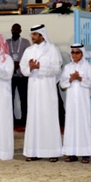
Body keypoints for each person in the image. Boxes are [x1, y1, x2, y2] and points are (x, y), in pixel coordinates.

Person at [19, 24, 62, 162]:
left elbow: (56, 69)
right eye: (32, 34)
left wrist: (40, 67)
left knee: (48, 117)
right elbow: (23, 67)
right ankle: (33, 151)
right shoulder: (29, 50)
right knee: (34, 118)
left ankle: (52, 151)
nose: (32, 37)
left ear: (42, 35)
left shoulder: (52, 49)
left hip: (47, 88)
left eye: (35, 35)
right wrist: (30, 68)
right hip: (33, 87)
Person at [60, 44, 91, 164]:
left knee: (83, 125)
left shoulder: (88, 67)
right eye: (73, 53)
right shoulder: (68, 67)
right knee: (71, 125)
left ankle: (85, 154)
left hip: (83, 102)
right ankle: (72, 153)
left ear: (82, 53)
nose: (75, 55)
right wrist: (71, 79)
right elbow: (62, 84)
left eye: (77, 52)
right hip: (71, 102)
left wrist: (80, 79)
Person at [6, 23, 30, 128]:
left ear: (20, 31)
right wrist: (12, 64)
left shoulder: (25, 42)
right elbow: (4, 57)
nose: (15, 31)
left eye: (17, 30)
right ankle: (11, 119)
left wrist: (18, 64)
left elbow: (28, 56)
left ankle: (25, 119)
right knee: (9, 98)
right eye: (13, 29)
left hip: (22, 75)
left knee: (24, 98)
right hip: (10, 76)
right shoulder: (6, 43)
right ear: (11, 30)